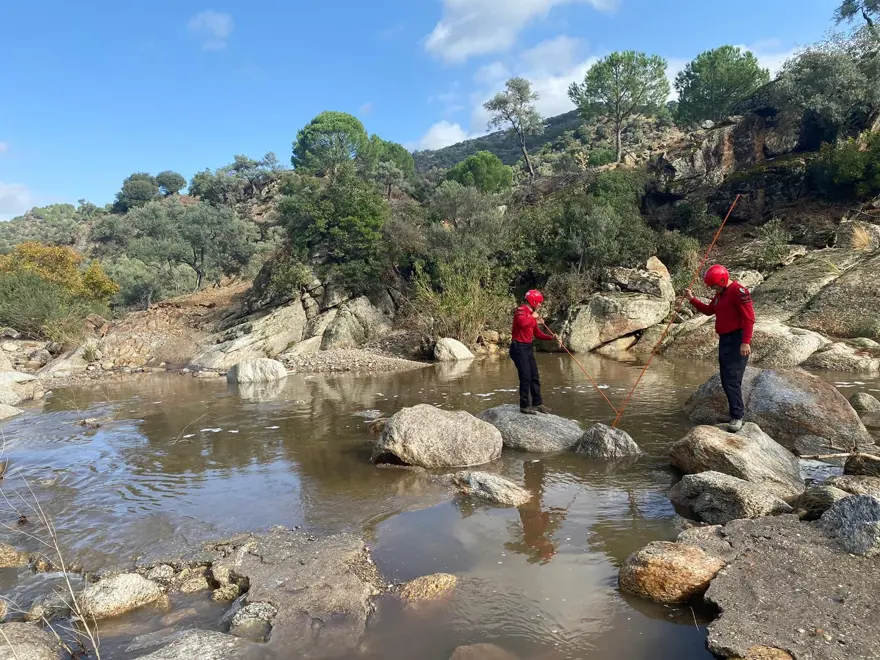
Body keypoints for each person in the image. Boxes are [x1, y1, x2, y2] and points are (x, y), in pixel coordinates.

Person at [686, 264, 755, 432]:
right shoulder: (720, 294)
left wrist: (745, 341)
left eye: (714, 285)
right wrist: (692, 299)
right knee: (725, 379)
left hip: (737, 339)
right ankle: (734, 412)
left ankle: (737, 417)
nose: (713, 288)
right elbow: (710, 311)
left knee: (732, 380)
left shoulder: (739, 292)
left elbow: (749, 318)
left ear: (723, 280)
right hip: (725, 340)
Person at [510, 289, 557, 415]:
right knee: (525, 377)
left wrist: (551, 337)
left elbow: (537, 333)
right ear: (533, 301)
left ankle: (538, 403)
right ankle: (524, 406)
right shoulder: (521, 310)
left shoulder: (532, 313)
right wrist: (532, 317)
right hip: (518, 348)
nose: (540, 305)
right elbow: (522, 323)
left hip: (527, 347)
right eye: (540, 302)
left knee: (534, 376)